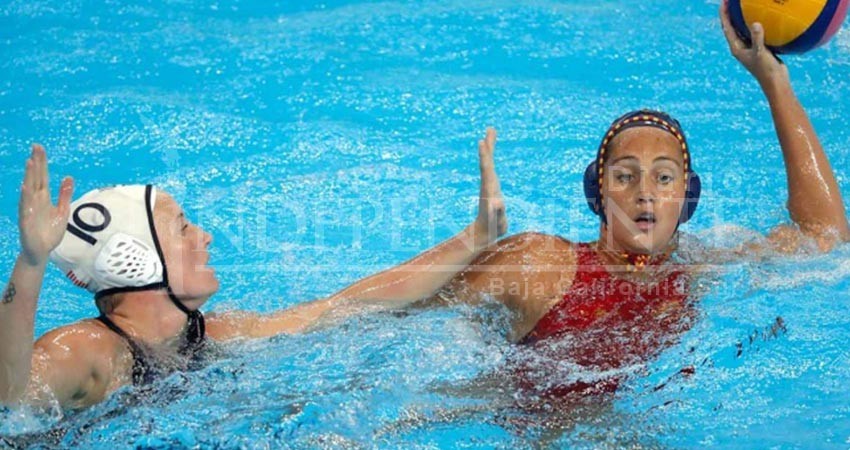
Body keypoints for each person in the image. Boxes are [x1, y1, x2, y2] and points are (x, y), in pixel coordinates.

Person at [435, 2, 850, 398]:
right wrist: (474, 237)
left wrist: (775, 84)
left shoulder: (701, 269)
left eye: (664, 178)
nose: (645, 193)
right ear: (596, 191)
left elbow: (826, 238)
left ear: (689, 199)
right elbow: (400, 311)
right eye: (625, 176)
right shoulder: (541, 265)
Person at [0, 129, 507, 410]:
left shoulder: (211, 334)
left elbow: (351, 303)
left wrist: (476, 237)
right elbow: (9, 395)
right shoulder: (91, 350)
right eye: (181, 228)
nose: (204, 236)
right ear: (133, 260)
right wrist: (30, 263)